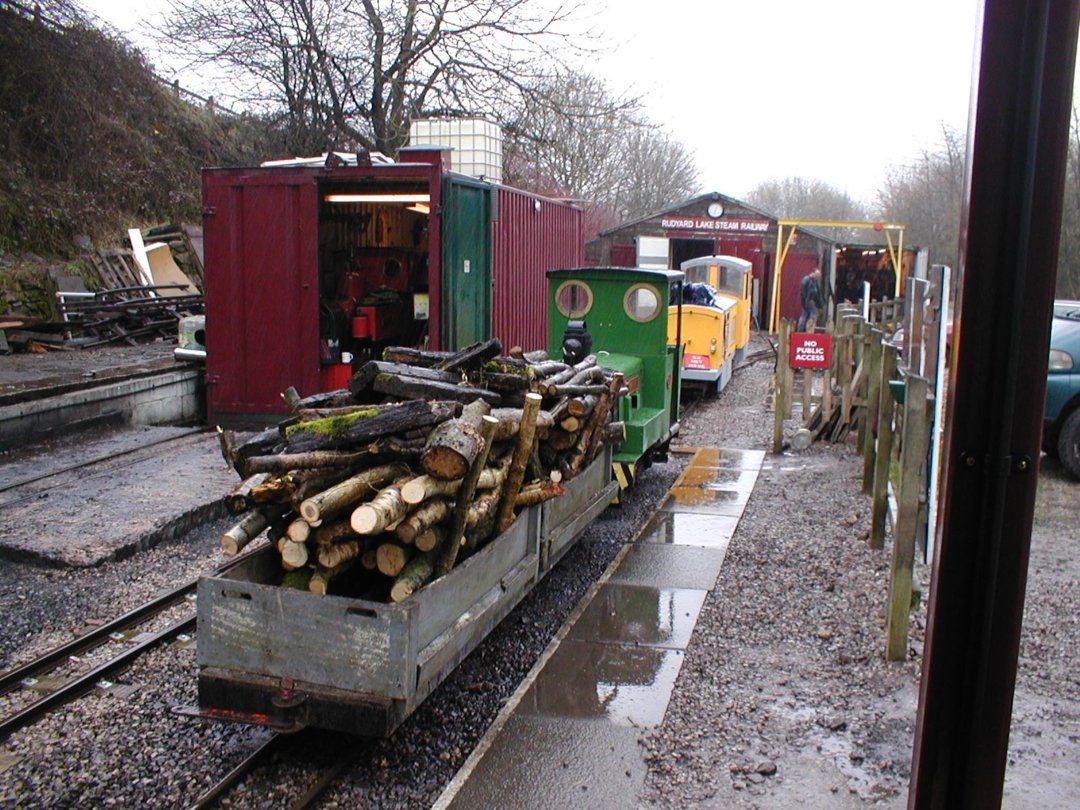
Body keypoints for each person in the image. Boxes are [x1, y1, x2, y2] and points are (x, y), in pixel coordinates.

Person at [798, 267, 825, 332]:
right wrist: (805, 301)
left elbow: (818, 293)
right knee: (813, 315)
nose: (818, 277)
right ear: (813, 273)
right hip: (808, 301)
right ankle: (809, 328)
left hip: (811, 301)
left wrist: (820, 304)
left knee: (805, 314)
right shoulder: (806, 280)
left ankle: (801, 329)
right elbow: (803, 292)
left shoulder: (814, 281)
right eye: (817, 275)